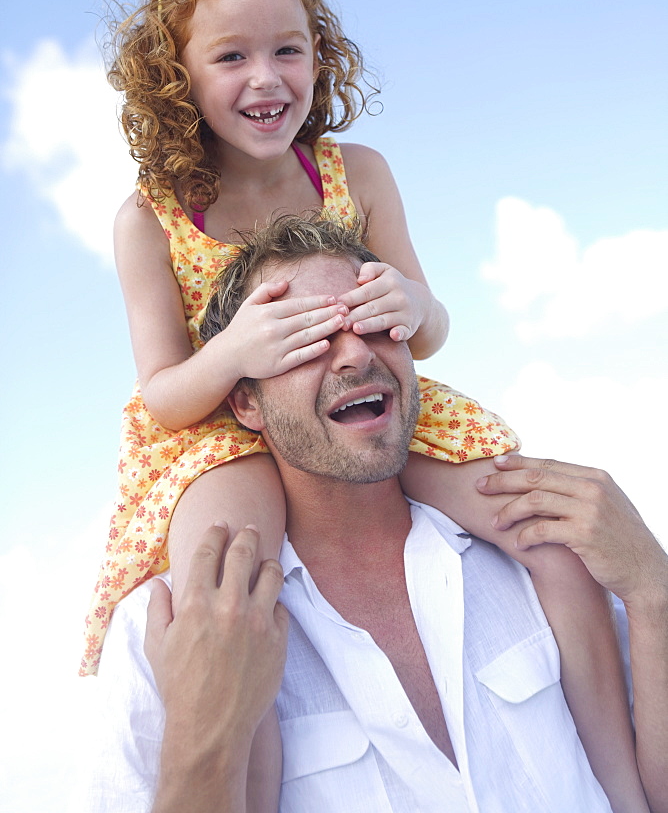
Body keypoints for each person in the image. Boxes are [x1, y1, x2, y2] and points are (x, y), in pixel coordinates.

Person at [79, 0, 633, 808]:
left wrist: (407, 300)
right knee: (231, 607)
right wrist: (238, 351)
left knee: (548, 539)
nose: (266, 78)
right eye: (231, 57)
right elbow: (164, 395)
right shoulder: (150, 217)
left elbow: (433, 324)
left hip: (368, 401)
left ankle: (621, 780)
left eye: (287, 49)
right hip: (223, 429)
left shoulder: (356, 171)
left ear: (318, 53)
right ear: (177, 79)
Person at [81, 215, 668, 813]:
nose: (355, 354)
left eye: (377, 323)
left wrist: (655, 589)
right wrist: (205, 743)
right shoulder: (170, 633)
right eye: (305, 338)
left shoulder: (542, 548)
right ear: (244, 402)